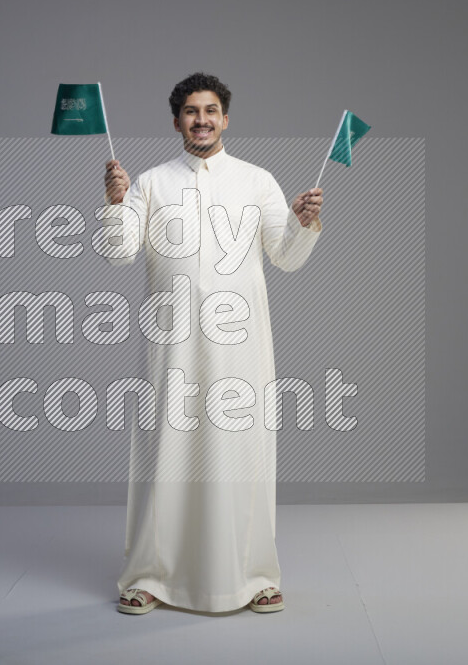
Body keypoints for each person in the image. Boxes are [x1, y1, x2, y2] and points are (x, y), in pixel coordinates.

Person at [99, 73, 323, 614]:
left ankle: (254, 575)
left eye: (211, 110)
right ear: (176, 121)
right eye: (191, 111)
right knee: (164, 455)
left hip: (240, 344)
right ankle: (150, 577)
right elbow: (118, 253)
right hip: (170, 343)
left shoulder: (256, 181)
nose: (202, 119)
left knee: (241, 452)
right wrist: (114, 203)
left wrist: (304, 224)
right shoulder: (150, 183)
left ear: (226, 118)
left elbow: (286, 257)